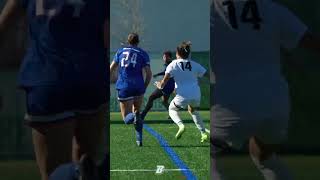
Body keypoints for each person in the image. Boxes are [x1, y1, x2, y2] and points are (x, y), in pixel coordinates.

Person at [211, 0, 320, 179]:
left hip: (229, 105)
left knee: (204, 158)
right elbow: (310, 42)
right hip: (275, 104)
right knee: (265, 157)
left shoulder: (209, 12)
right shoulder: (271, 9)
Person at [0, 1, 108, 180]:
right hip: (90, 75)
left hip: (48, 75)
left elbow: (4, 24)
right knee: (88, 168)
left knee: (56, 175)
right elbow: (107, 34)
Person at [155, 41, 209, 142]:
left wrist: (159, 85)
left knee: (172, 110)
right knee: (193, 111)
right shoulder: (195, 64)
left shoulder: (173, 64)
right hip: (196, 94)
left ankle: (181, 126)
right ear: (188, 54)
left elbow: (164, 82)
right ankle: (203, 133)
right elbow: (208, 75)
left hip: (183, 95)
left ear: (177, 53)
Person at [110, 33, 152, 147]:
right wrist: (144, 86)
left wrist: (113, 79)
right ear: (138, 42)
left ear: (127, 41)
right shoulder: (143, 53)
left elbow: (111, 68)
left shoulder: (120, 51)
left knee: (127, 119)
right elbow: (149, 74)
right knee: (137, 113)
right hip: (138, 86)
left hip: (125, 86)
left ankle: (135, 116)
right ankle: (139, 139)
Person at [140, 50, 175, 120]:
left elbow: (166, 73)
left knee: (151, 97)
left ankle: (143, 114)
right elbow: (166, 72)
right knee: (164, 101)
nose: (164, 58)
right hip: (169, 86)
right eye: (164, 57)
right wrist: (158, 74)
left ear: (170, 58)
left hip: (166, 86)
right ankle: (172, 115)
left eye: (166, 57)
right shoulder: (170, 64)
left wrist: (158, 75)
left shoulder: (170, 64)